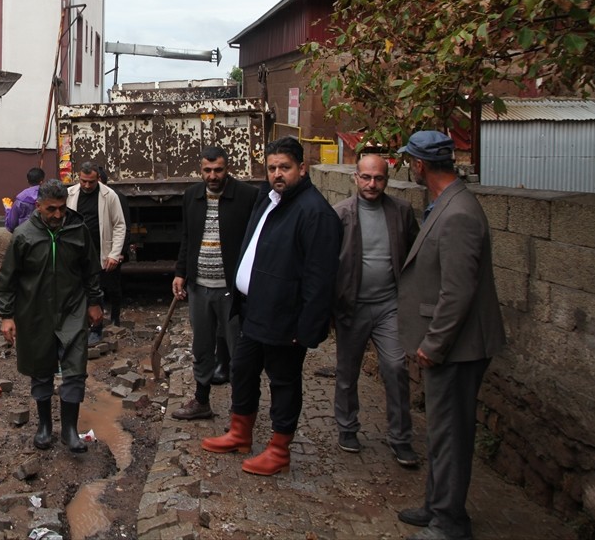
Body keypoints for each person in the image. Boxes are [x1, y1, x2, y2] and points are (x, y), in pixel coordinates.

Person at [201, 136, 341, 476]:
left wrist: (306, 329)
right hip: (253, 310)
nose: (277, 174)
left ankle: (279, 449)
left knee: (283, 381)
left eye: (285, 168)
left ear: (302, 169)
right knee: (242, 370)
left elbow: (320, 280)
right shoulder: (268, 199)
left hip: (285, 318)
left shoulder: (315, 212)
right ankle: (240, 432)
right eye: (272, 167)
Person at [395, 131, 505, 540]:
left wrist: (432, 345)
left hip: (458, 348)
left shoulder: (458, 213)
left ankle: (450, 522)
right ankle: (436, 506)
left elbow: (457, 292)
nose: (410, 168)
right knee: (440, 431)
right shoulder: (446, 203)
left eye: (411, 162)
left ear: (420, 165)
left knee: (452, 435)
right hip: (450, 346)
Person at [0, 179, 104, 453]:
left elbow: (91, 270)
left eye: (61, 209)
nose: (57, 215)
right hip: (35, 312)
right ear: (38, 206)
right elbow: (7, 279)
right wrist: (7, 316)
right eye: (51, 209)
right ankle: (44, 426)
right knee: (41, 370)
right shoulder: (23, 236)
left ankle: (69, 430)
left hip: (72, 309)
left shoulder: (78, 230)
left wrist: (94, 302)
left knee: (75, 370)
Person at [334, 151, 421, 466]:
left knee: (396, 368)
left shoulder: (401, 212)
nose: (372, 184)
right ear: (355, 177)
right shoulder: (341, 214)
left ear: (387, 179)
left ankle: (400, 438)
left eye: (379, 178)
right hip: (352, 306)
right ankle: (347, 427)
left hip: (388, 307)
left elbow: (413, 257)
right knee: (347, 371)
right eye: (366, 177)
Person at [171, 147, 258, 420]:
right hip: (199, 287)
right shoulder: (192, 196)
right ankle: (201, 400)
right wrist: (180, 272)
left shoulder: (247, 196)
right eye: (207, 170)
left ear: (227, 168)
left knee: (237, 349)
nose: (213, 176)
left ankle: (240, 409)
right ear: (201, 170)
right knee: (202, 346)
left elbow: (255, 242)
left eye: (218, 170)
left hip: (232, 290)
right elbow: (187, 237)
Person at [66, 161, 126, 342]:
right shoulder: (70, 194)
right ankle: (79, 327)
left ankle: (96, 329)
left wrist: (114, 254)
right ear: (79, 177)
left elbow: (119, 225)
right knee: (76, 290)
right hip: (76, 252)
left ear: (98, 179)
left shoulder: (110, 196)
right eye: (83, 181)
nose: (86, 185)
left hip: (100, 252)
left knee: (95, 292)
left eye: (91, 182)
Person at [5, 166, 45, 232]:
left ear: (27, 180)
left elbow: (11, 225)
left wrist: (8, 209)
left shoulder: (20, 200)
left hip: (24, 237)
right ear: (42, 182)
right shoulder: (47, 198)